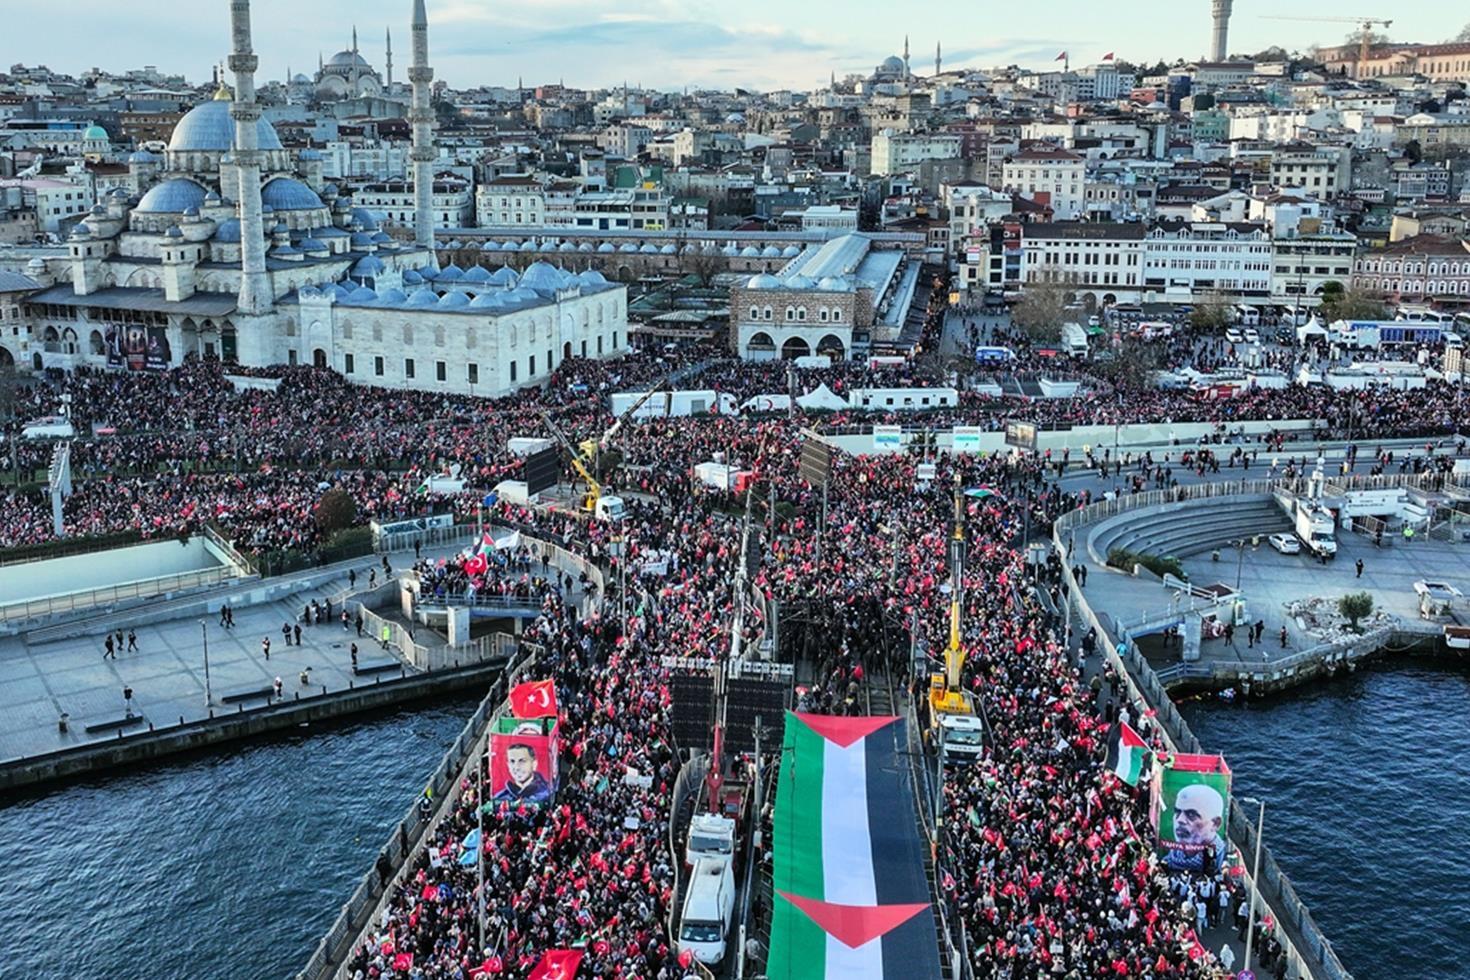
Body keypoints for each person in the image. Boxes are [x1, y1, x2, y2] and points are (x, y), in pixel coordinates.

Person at [1164, 782, 1228, 873]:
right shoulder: (1170, 858)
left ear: (1215, 824)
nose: (1180, 820)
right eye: (1177, 812)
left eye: (1191, 814)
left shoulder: (1221, 861)